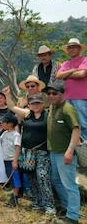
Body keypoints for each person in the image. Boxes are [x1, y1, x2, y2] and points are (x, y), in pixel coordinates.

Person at [14, 94, 56, 215]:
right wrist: (7, 96)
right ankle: (38, 202)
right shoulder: (26, 116)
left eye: (38, 103)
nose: (36, 105)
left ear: (43, 104)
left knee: (43, 177)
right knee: (32, 178)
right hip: (26, 152)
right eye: (33, 103)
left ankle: (49, 205)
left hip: (42, 152)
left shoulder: (48, 115)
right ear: (29, 105)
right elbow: (13, 108)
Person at [46, 81, 81, 223]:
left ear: (62, 93)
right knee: (56, 180)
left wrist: (70, 151)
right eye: (49, 93)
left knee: (70, 185)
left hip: (64, 153)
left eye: (55, 93)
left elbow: (76, 129)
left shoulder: (68, 109)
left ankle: (73, 217)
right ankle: (67, 207)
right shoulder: (52, 107)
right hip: (53, 152)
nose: (51, 96)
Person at [56, 38, 87, 140]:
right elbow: (58, 75)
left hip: (81, 97)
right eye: (69, 47)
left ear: (79, 49)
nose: (71, 49)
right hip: (67, 97)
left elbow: (82, 74)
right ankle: (76, 148)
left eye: (74, 47)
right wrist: (73, 70)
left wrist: (66, 74)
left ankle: (85, 147)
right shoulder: (66, 63)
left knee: (82, 124)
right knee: (70, 123)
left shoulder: (85, 60)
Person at [0, 114, 22, 207]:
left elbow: (18, 148)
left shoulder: (16, 135)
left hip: (12, 160)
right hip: (4, 159)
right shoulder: (4, 133)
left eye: (3, 122)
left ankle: (15, 197)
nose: (1, 124)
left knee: (15, 178)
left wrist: (15, 161)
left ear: (10, 124)